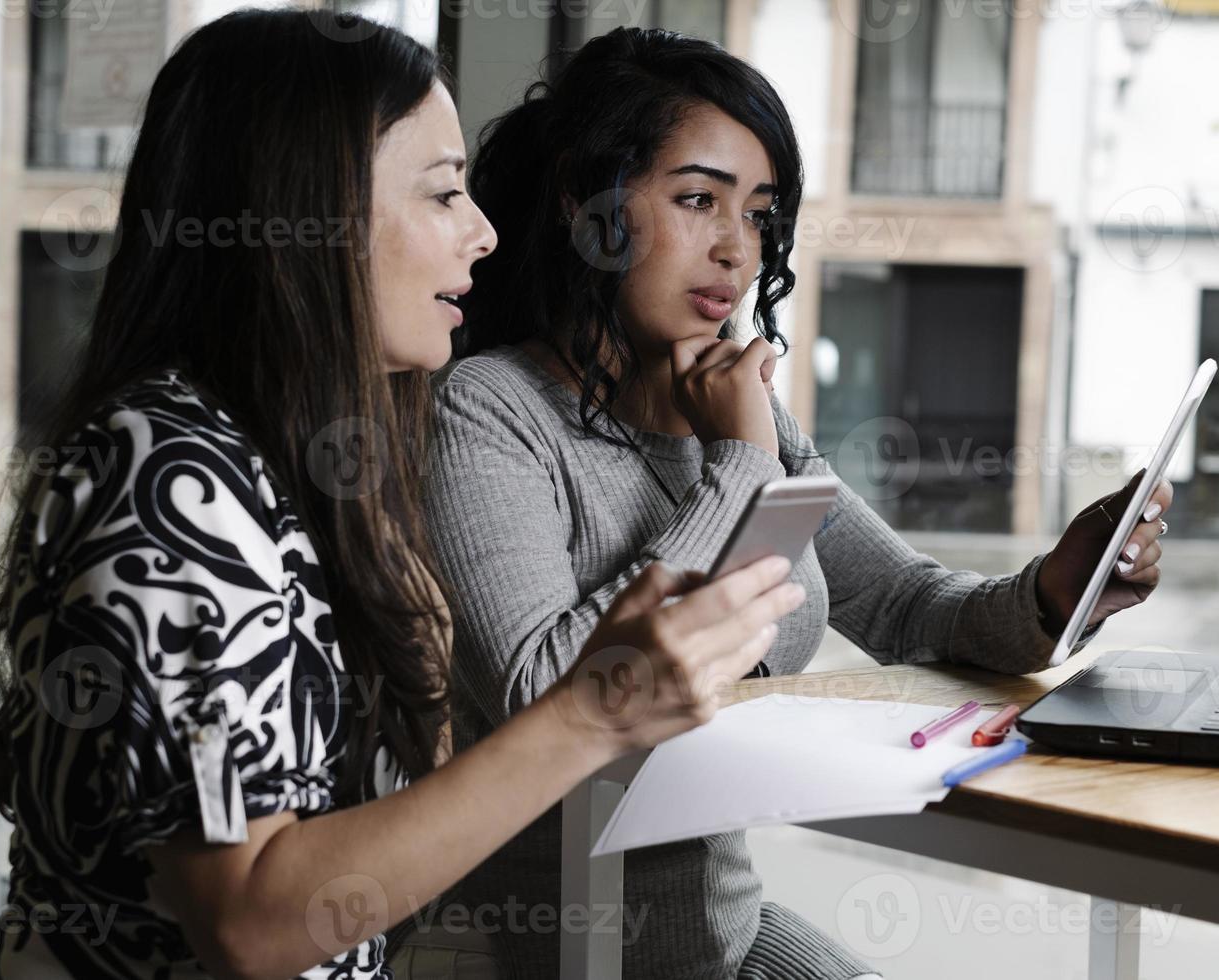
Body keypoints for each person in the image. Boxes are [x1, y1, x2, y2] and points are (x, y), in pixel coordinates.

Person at [0, 12, 803, 978]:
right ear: (308, 211)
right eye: (445, 194)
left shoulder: (306, 466)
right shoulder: (168, 471)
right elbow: (251, 922)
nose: (484, 233)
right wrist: (592, 711)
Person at [424, 26, 1174, 979]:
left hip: (729, 942)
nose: (737, 248)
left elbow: (903, 606)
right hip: (575, 955)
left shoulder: (738, 403)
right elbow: (547, 693)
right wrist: (738, 461)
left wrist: (1057, 592)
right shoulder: (490, 409)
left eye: (759, 212)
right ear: (588, 208)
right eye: (697, 200)